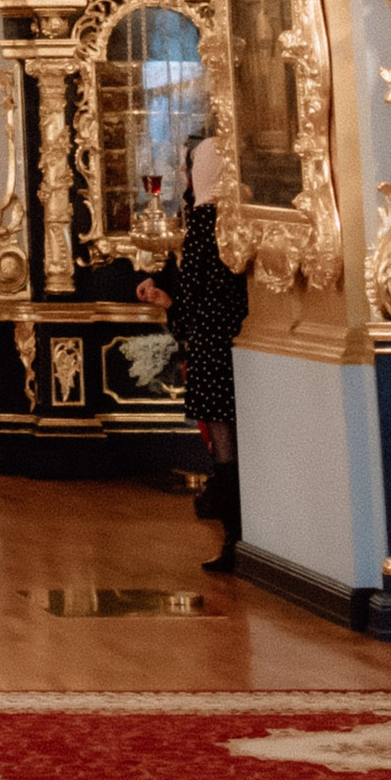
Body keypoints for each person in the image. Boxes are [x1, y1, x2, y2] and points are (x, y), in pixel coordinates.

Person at [138, 128, 252, 573]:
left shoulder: (204, 225)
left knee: (225, 449)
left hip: (211, 350)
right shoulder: (236, 221)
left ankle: (235, 540)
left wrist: (171, 307)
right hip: (233, 345)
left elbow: (196, 296)